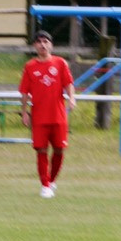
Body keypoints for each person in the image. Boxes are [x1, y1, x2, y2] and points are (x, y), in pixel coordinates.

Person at [19, 30, 75, 199]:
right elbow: (24, 92)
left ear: (51, 45)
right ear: (34, 45)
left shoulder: (60, 63)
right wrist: (24, 112)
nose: (42, 45)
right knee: (41, 150)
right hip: (39, 116)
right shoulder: (30, 66)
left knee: (59, 149)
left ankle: (51, 180)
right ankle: (45, 185)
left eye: (45, 41)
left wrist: (72, 98)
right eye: (39, 42)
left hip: (58, 116)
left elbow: (69, 83)